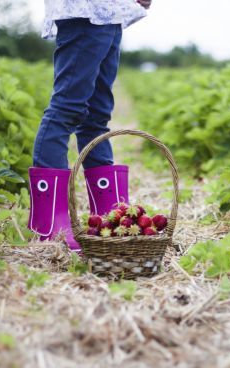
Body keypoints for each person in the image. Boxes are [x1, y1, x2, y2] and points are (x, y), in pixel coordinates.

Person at [28, 0, 152, 251]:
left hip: (111, 14)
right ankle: (50, 221)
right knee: (67, 107)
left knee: (96, 116)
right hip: (83, 13)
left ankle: (108, 216)